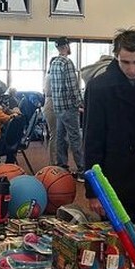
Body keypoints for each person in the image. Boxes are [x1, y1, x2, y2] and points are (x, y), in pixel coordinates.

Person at [83, 29, 135, 226]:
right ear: (116, 56)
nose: (132, 69)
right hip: (112, 174)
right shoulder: (98, 87)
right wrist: (92, 191)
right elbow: (92, 140)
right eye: (125, 62)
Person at [49, 37, 84, 178]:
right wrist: (80, 103)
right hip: (69, 107)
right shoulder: (67, 63)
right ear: (66, 46)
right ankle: (82, 169)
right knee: (75, 138)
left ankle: (62, 167)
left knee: (60, 138)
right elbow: (72, 87)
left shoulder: (54, 63)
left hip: (58, 107)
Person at [42, 57, 58, 165]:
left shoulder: (48, 76)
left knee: (55, 134)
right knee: (55, 135)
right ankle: (54, 162)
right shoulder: (52, 76)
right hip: (52, 104)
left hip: (49, 104)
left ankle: (55, 161)